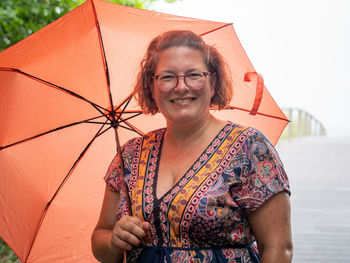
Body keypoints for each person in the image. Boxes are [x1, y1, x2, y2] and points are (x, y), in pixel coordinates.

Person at [91, 30, 293, 263]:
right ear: (152, 87)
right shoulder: (130, 154)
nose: (181, 87)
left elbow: (279, 248)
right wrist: (114, 240)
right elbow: (101, 240)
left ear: (213, 82)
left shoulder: (250, 149)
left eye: (194, 75)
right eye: (167, 77)